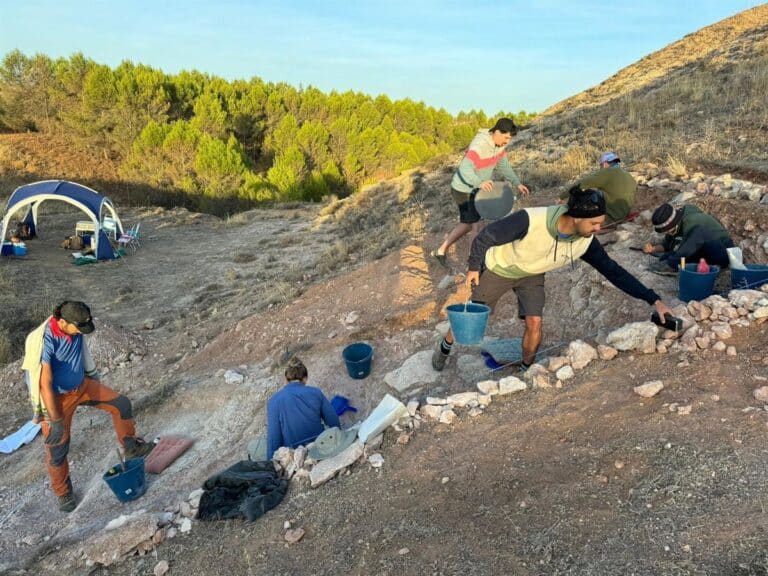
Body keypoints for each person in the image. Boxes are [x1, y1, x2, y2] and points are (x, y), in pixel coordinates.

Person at [432, 188, 675, 371]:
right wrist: (474, 267)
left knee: (535, 323)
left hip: (532, 274)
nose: (598, 229)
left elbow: (614, 272)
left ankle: (528, 371)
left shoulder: (585, 242)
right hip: (500, 268)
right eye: (594, 223)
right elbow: (486, 236)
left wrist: (653, 300)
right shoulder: (532, 219)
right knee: (472, 317)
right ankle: (445, 346)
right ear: (577, 217)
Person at [21, 301, 154, 513]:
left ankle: (131, 448)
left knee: (121, 404)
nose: (81, 333)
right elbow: (44, 384)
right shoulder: (45, 340)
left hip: (82, 386)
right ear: (62, 322)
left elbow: (82, 352)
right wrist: (54, 420)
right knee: (57, 449)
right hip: (57, 399)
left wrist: (91, 376)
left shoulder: (75, 328)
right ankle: (63, 493)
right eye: (78, 328)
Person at [432, 118, 530, 266]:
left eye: (509, 139)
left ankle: (441, 251)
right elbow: (465, 169)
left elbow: (503, 165)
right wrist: (479, 182)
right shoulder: (479, 145)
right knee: (477, 224)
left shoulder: (498, 146)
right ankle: (475, 263)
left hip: (476, 188)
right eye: (506, 137)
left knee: (468, 224)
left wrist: (518, 183)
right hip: (463, 188)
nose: (507, 142)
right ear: (497, 132)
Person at [265, 357, 340, 460]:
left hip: (294, 454)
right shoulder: (316, 392)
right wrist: (340, 437)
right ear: (305, 378)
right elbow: (333, 419)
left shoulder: (274, 401)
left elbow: (274, 436)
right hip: (319, 446)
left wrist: (270, 461)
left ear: (286, 380)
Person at [644, 203, 734, 276]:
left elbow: (689, 247)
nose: (668, 233)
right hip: (704, 254)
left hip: (722, 253)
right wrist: (653, 249)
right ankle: (675, 264)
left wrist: (673, 260)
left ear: (674, 224)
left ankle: (672, 265)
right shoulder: (676, 225)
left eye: (668, 231)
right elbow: (667, 245)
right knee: (666, 256)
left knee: (700, 232)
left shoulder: (692, 220)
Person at [560, 152, 636, 224]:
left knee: (585, 195)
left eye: (601, 165)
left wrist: (561, 197)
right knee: (598, 193)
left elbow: (582, 183)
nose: (600, 167)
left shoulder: (606, 173)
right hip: (625, 213)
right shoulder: (627, 175)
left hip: (611, 217)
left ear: (605, 164)